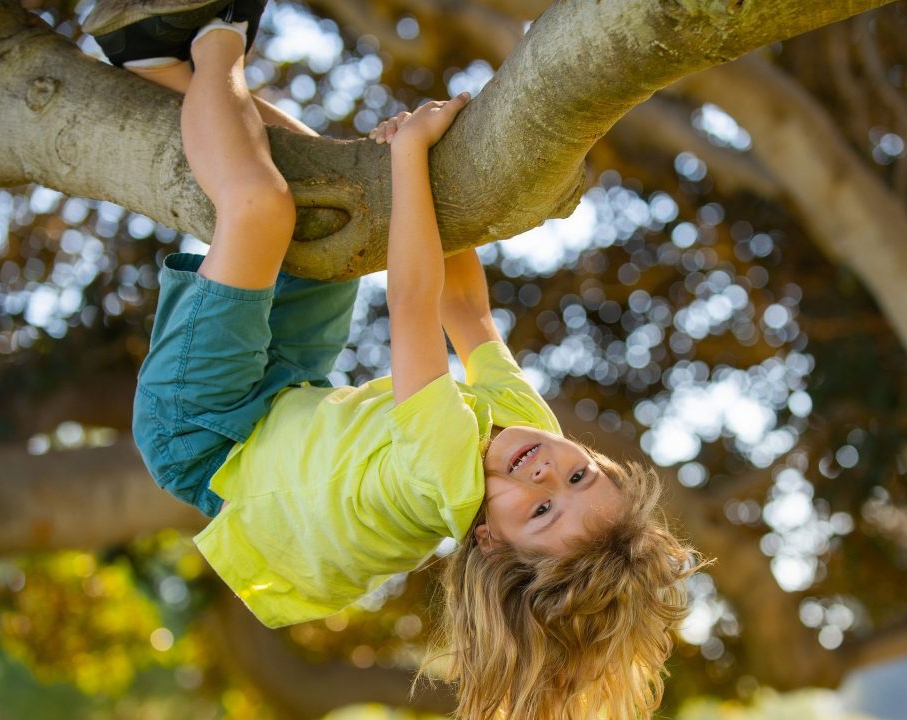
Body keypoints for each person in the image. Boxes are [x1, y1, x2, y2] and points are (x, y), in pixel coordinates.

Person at [86, 2, 702, 717]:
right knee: (340, 198)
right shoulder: (525, 425)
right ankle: (156, 67)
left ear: (491, 544)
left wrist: (410, 155)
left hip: (203, 434)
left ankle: (217, 36)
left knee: (260, 207)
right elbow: (466, 313)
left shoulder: (444, 476)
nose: (545, 470)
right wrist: (424, 178)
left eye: (539, 509)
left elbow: (413, 300)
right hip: (286, 393)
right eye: (578, 473)